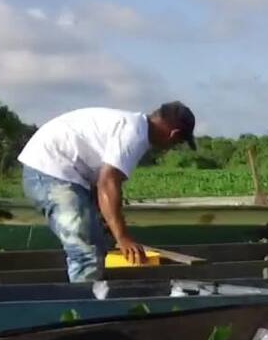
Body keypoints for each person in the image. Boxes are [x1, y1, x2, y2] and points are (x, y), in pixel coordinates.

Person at [18, 102, 197, 282]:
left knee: (100, 241)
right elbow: (108, 182)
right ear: (174, 134)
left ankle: (97, 292)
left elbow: (102, 184)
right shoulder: (133, 134)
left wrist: (108, 227)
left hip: (59, 170)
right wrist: (123, 237)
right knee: (86, 252)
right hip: (50, 170)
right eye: (178, 143)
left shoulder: (134, 127)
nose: (172, 147)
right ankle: (86, 299)